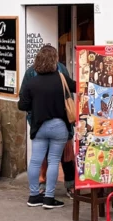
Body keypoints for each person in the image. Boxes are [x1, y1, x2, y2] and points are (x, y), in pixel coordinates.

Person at [18, 45, 75, 209]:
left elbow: (22, 105)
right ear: (54, 61)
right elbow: (78, 87)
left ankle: (34, 196)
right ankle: (49, 198)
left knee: (35, 161)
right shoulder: (61, 78)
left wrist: (35, 106)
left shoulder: (32, 82)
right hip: (59, 127)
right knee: (53, 161)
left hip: (39, 127)